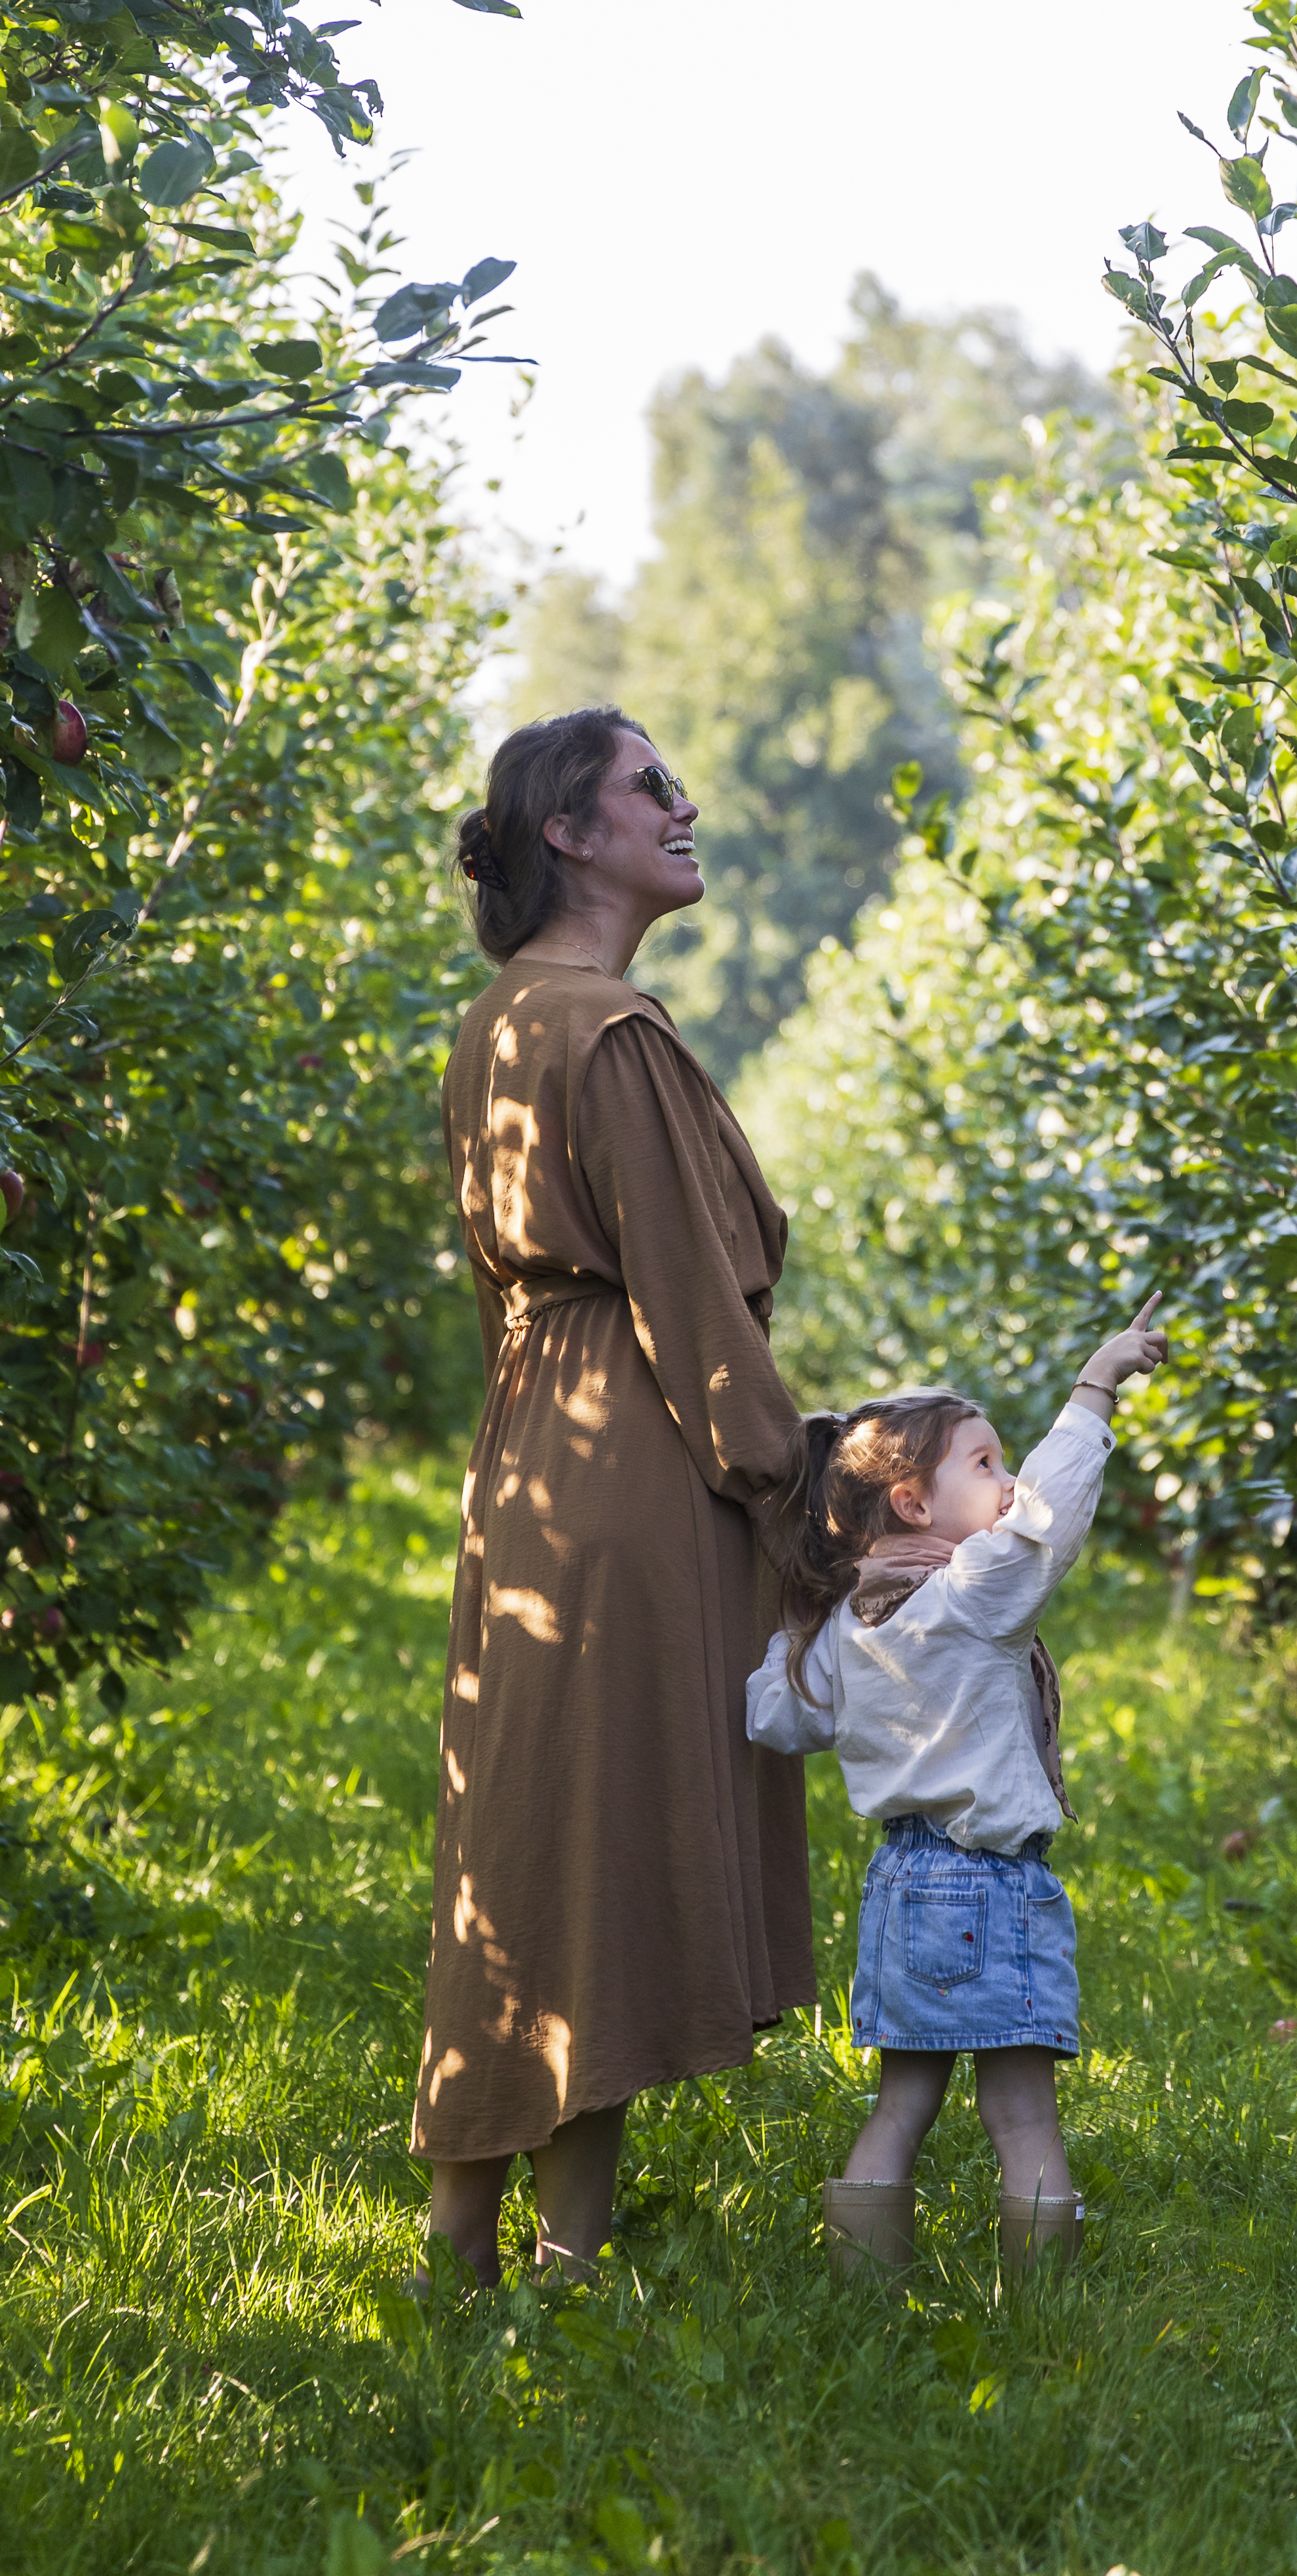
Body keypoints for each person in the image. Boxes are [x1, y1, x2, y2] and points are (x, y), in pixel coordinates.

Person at [414, 704, 812, 2285]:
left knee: (527, 1834)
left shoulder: (498, 1021)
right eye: (651, 784)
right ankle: (557, 2259)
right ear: (569, 833)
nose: (681, 801)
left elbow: (519, 1285)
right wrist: (794, 1491)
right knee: (605, 1840)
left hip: (532, 1443)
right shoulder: (611, 1033)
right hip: (635, 1450)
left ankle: (490, 2238)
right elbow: (690, 1303)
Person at [744, 1296, 1169, 2280]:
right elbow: (1049, 1522)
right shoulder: (973, 1592)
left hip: (900, 1887)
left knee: (902, 2104)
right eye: (985, 1464)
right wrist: (1095, 1387)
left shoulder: (846, 1624)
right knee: (1020, 2113)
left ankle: (860, 2297)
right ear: (912, 1505)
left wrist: (792, 1625)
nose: (1009, 1482)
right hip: (992, 1884)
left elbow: (778, 1718)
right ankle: (1043, 2307)